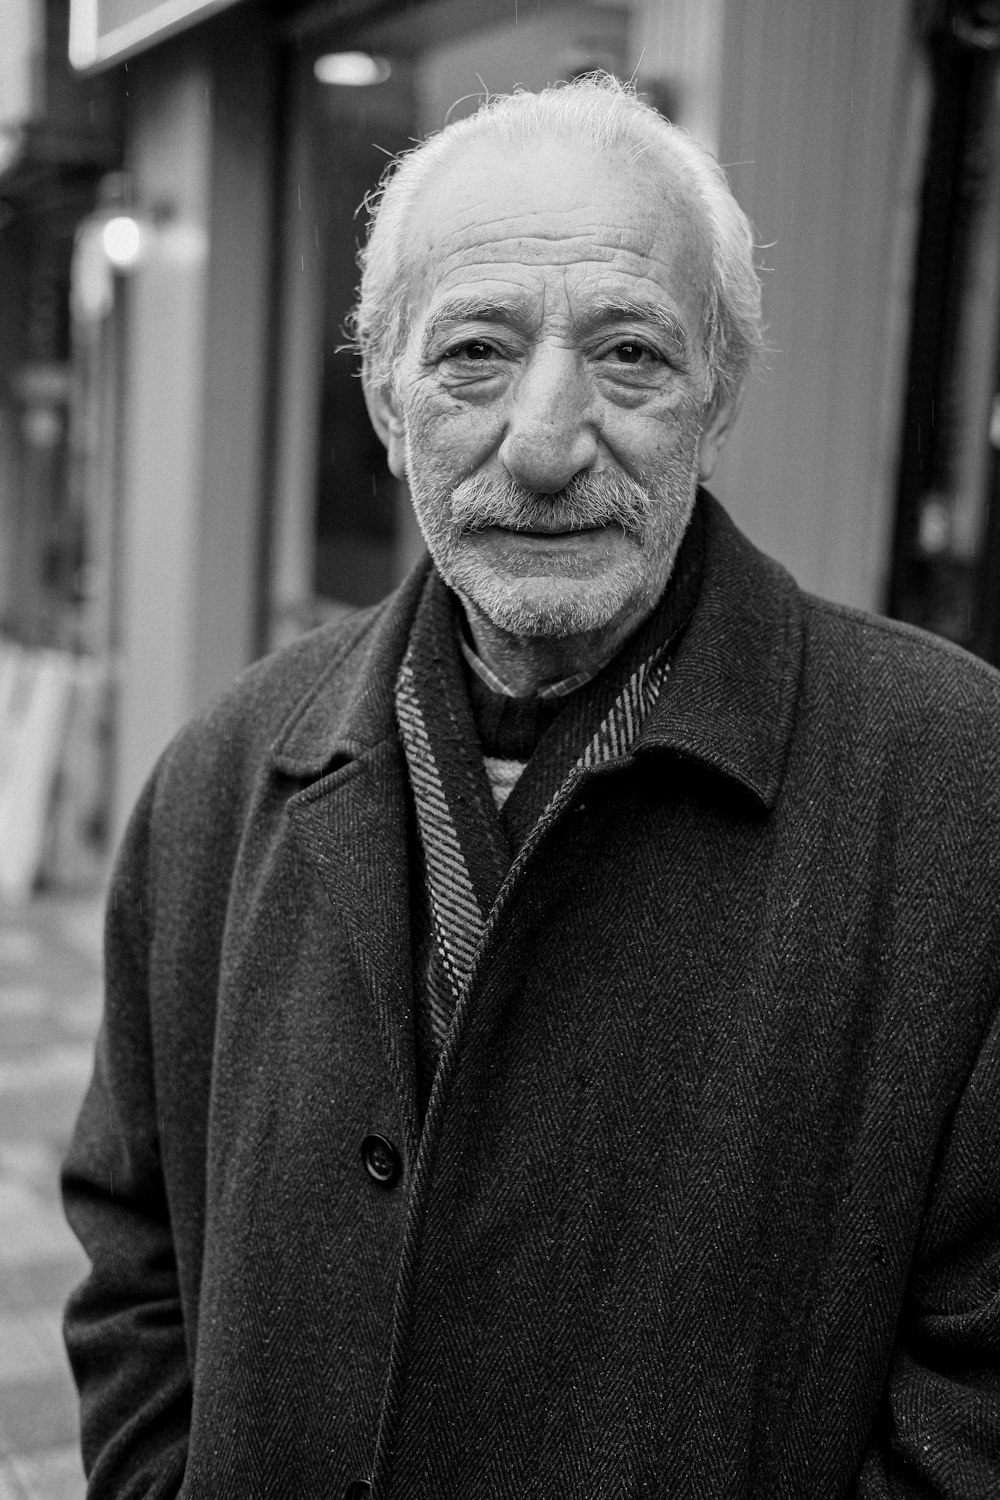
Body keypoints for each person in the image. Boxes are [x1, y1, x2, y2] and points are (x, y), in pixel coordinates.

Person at [62, 75, 1000, 1499]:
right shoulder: (226, 771)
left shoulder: (959, 788)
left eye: (629, 355)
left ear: (718, 395)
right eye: (476, 356)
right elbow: (135, 1258)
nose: (548, 441)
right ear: (387, 402)